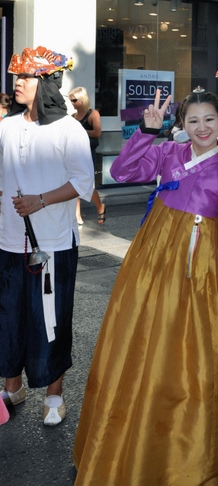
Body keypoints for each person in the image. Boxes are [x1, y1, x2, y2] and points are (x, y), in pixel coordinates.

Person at [73, 88, 218, 485]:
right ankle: (124, 435)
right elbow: (122, 172)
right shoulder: (169, 152)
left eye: (209, 119)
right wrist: (145, 132)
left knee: (185, 356)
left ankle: (176, 449)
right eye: (193, 120)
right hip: (149, 265)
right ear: (182, 124)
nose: (202, 127)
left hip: (195, 275)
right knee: (136, 344)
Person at [0, 46, 94, 425]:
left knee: (50, 320)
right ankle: (12, 386)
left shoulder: (69, 129)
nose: (18, 82)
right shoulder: (6, 126)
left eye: (26, 77)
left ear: (46, 82)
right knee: (8, 317)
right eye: (17, 76)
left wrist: (40, 200)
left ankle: (55, 395)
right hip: (7, 240)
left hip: (53, 243)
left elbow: (84, 182)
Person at [69, 86, 107, 225]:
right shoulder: (73, 116)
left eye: (74, 100)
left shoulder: (93, 114)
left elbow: (97, 133)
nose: (72, 103)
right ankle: (77, 215)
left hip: (88, 153)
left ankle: (100, 206)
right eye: (71, 100)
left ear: (82, 99)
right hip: (75, 153)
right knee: (74, 183)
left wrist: (81, 130)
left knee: (87, 184)